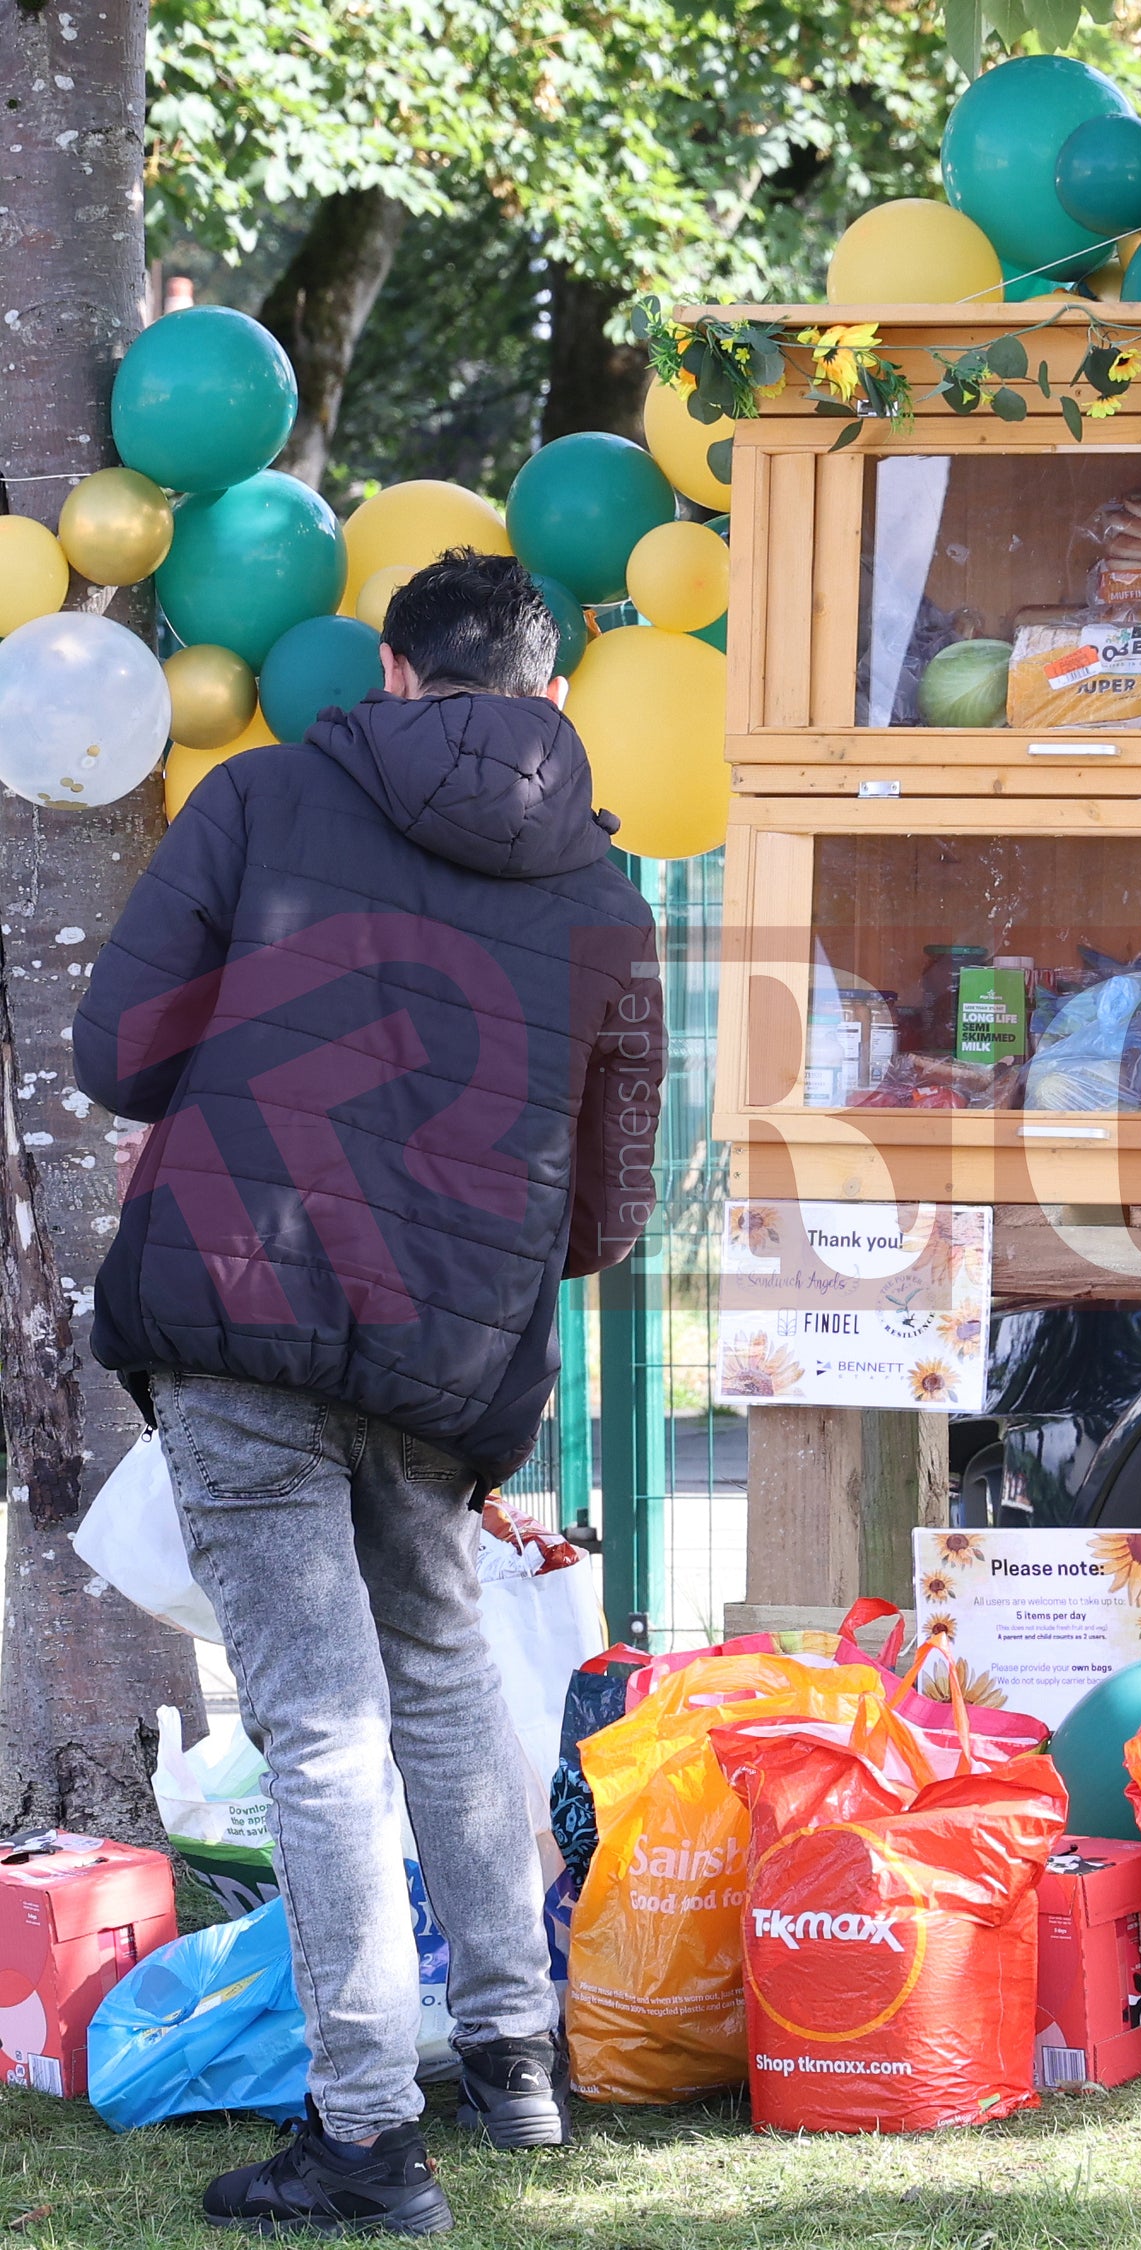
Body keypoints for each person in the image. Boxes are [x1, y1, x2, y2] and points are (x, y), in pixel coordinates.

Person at [73, 550, 664, 2235]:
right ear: (550, 695)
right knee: (444, 1679)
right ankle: (514, 2058)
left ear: (394, 676)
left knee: (320, 1721)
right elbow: (610, 1207)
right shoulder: (606, 897)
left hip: (236, 1301)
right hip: (446, 1352)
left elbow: (115, 1055)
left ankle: (364, 2133)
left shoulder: (264, 799)